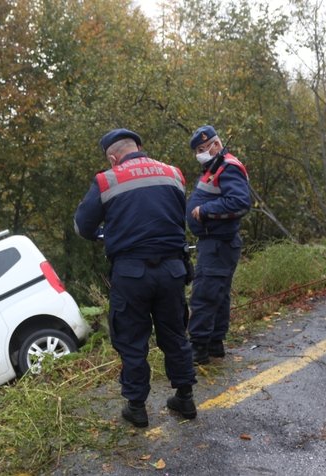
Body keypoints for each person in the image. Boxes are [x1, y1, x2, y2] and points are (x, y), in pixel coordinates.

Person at [74, 128, 198, 427]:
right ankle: (185, 398)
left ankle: (137, 407)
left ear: (113, 157)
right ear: (140, 147)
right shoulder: (173, 173)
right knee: (175, 335)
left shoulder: (107, 179)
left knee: (132, 340)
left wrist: (106, 233)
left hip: (131, 273)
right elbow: (176, 216)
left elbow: (82, 226)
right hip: (171, 270)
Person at [186, 125, 251, 365]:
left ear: (217, 143)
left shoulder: (228, 167)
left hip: (218, 244)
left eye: (205, 147)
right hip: (216, 244)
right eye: (198, 150)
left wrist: (205, 210)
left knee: (204, 294)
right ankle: (214, 344)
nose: (202, 152)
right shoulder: (213, 168)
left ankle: (198, 349)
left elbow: (240, 203)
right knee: (218, 295)